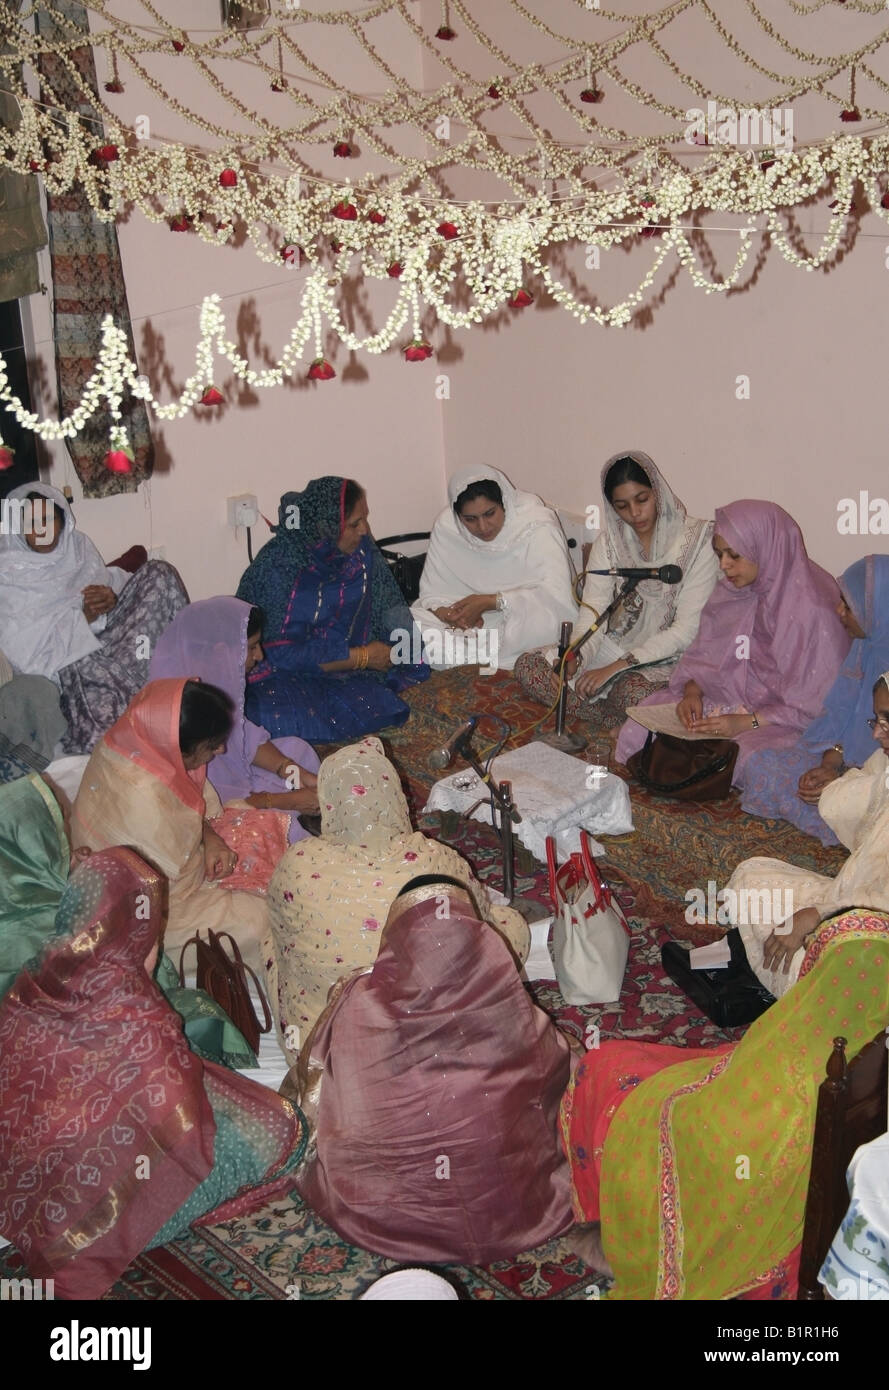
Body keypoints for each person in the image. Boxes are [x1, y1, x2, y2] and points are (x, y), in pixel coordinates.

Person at [0, 846, 305, 1300]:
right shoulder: (137, 1014)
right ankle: (131, 1228)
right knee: (278, 1131)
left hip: (21, 1189)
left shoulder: (34, 979)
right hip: (95, 1217)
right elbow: (178, 1122)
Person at [559, 907, 889, 1299]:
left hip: (737, 1108)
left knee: (606, 1068)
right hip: (767, 1087)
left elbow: (732, 1122)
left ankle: (619, 1233)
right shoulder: (864, 1050)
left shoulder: (798, 1078)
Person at [295, 875, 574, 1265]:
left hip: (394, 1215)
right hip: (521, 1207)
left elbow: (318, 1082)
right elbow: (555, 1069)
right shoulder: (504, 1002)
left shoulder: (359, 1004)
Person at [267, 736, 531, 1053]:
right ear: (394, 796)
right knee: (509, 926)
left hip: (327, 1059)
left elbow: (283, 941)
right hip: (438, 1041)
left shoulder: (297, 864)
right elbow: (485, 928)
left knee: (271, 941)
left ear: (329, 803)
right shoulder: (436, 859)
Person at [0, 771, 257, 1067]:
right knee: (199, 1016)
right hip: (76, 1044)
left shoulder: (20, 897)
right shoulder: (43, 920)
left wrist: (67, 870)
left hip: (53, 1038)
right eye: (55, 836)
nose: (64, 840)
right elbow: (115, 973)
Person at [615, 499, 850, 778]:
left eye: (734, 555)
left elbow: (816, 704)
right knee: (636, 730)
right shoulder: (731, 592)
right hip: (725, 699)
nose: (724, 565)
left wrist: (744, 723)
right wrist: (693, 693)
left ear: (765, 548)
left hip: (778, 719)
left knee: (747, 762)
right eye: (719, 554)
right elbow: (704, 657)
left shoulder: (810, 609)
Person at [71, 678, 288, 970]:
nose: (221, 750)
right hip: (148, 909)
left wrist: (210, 838)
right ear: (177, 747)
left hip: (171, 863)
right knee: (260, 920)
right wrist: (204, 856)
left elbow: (187, 809)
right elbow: (151, 896)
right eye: (211, 746)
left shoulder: (138, 738)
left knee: (242, 814)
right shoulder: (146, 800)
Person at [515, 452, 717, 727]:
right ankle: (614, 721)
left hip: (665, 658)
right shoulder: (609, 545)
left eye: (642, 500)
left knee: (630, 694)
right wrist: (576, 656)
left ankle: (604, 714)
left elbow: (687, 630)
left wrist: (617, 667)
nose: (634, 514)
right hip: (609, 648)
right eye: (622, 506)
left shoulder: (699, 543)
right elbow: (594, 612)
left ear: (657, 491)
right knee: (530, 666)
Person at [722, 673, 889, 999]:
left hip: (874, 941)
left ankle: (826, 1002)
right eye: (878, 718)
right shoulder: (884, 761)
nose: (876, 732)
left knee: (822, 960)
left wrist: (818, 915)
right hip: (850, 903)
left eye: (888, 721)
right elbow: (844, 806)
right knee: (751, 877)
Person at [236, 477, 429, 742]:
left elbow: (388, 603)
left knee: (379, 704)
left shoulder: (360, 552)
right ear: (324, 526)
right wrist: (362, 657)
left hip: (344, 667)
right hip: (281, 673)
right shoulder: (279, 565)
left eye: (365, 519)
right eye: (354, 524)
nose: (365, 530)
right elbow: (276, 652)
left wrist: (400, 649)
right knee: (272, 718)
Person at [0, 483, 188, 752]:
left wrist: (111, 600)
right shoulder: (8, 574)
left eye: (47, 519)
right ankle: (146, 707)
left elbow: (115, 586)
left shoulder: (78, 547)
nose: (41, 530)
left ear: (61, 518)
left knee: (159, 572)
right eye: (31, 522)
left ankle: (176, 684)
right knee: (87, 669)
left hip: (119, 646)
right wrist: (82, 619)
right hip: (69, 664)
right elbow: (28, 659)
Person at [740, 554, 889, 844]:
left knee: (853, 809)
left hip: (877, 780)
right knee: (762, 763)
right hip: (849, 767)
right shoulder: (864, 647)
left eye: (849, 605)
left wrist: (846, 783)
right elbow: (841, 718)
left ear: (877, 609)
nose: (839, 611)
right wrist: (829, 766)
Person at [149, 597, 320, 843]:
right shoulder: (186, 705)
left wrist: (293, 771)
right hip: (215, 801)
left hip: (240, 777)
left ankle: (303, 807)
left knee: (298, 750)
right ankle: (300, 824)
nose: (260, 655)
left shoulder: (215, 677)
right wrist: (285, 800)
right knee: (279, 827)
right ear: (222, 650)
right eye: (252, 647)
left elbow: (243, 737)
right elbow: (209, 806)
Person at [411, 466, 577, 671]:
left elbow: (556, 599)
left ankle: (485, 659)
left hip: (522, 623)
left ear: (504, 502)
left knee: (546, 628)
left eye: (490, 513)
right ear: (457, 516)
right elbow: (433, 593)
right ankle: (487, 659)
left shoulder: (536, 524)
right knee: (412, 622)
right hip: (468, 629)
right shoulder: (448, 527)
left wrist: (492, 601)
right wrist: (450, 615)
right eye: (470, 519)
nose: (482, 527)